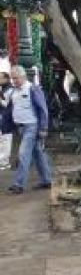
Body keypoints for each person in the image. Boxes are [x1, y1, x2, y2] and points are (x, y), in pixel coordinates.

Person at [4, 66, 52, 194]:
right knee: (38, 154)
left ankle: (18, 184)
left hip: (32, 126)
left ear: (23, 76)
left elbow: (43, 109)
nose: (14, 81)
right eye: (12, 78)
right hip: (20, 128)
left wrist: (43, 127)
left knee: (23, 154)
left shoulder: (33, 89)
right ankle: (46, 180)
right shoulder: (13, 92)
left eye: (16, 78)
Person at [0, 71, 12, 170]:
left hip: (7, 117)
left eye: (1, 78)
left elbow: (6, 104)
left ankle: (5, 162)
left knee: (6, 139)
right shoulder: (4, 89)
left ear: (6, 79)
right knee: (2, 140)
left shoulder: (9, 89)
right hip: (3, 116)